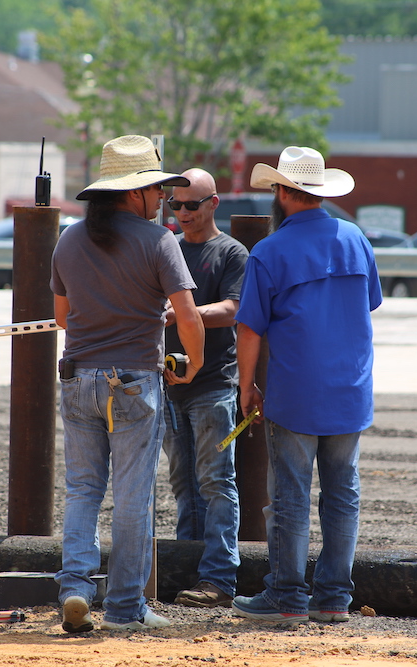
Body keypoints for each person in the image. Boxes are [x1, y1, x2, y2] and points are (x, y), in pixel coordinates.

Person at [50, 135, 205, 633]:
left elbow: (62, 319)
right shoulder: (159, 241)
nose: (163, 199)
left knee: (82, 491)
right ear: (135, 193)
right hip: (133, 381)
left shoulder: (69, 239)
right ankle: (124, 608)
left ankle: (75, 588)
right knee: (133, 497)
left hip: (77, 379)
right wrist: (194, 364)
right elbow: (187, 314)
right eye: (158, 190)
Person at [231, 146, 382, 625]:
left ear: (280, 192)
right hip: (351, 389)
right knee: (342, 493)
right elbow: (371, 303)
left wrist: (246, 386)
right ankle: (335, 598)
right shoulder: (356, 237)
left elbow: (249, 329)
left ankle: (287, 596)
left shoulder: (269, 251)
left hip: (296, 391)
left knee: (292, 496)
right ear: (318, 192)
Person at [162, 168, 248, 608]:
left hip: (214, 383)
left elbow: (234, 308)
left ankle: (218, 578)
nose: (181, 213)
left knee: (215, 480)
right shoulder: (169, 247)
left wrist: (183, 313)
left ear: (214, 203)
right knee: (183, 482)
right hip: (171, 384)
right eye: (175, 205)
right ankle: (189, 566)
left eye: (190, 205)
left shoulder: (231, 252)